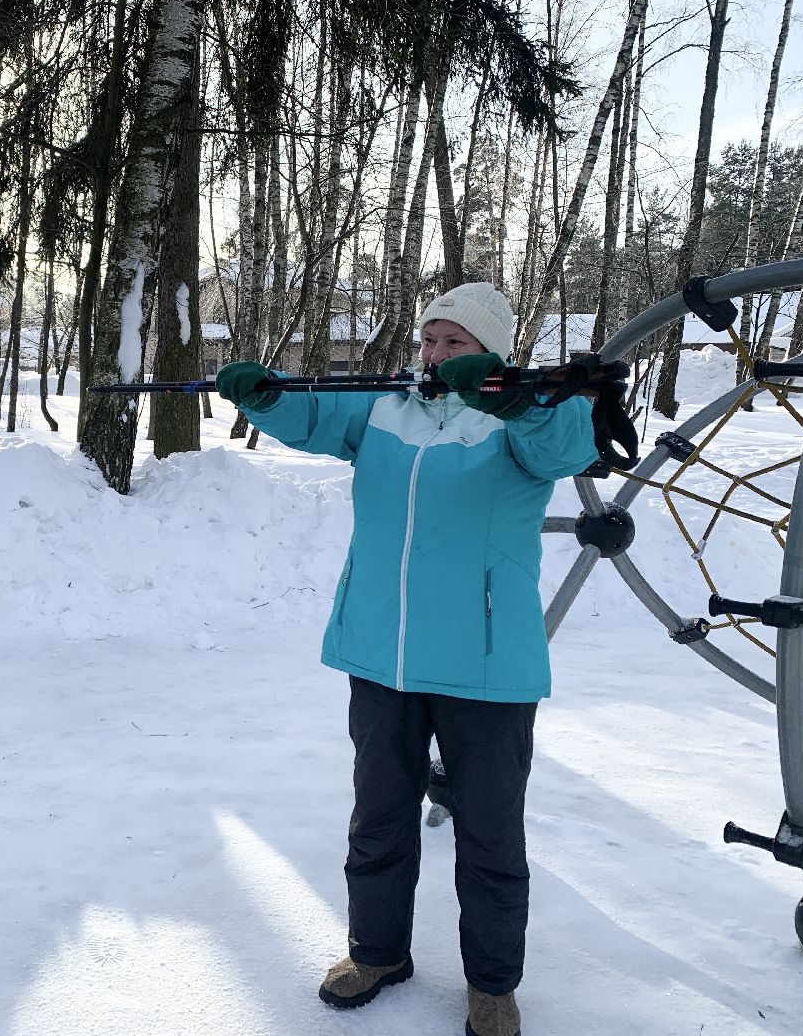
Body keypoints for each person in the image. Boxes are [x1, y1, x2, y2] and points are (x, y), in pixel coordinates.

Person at [214, 282, 596, 1036]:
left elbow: (566, 447)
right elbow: (313, 416)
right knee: (378, 818)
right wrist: (264, 397)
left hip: (484, 665)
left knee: (490, 832)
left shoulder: (529, 409)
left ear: (493, 348)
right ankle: (377, 952)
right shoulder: (387, 404)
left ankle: (492, 983)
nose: (436, 354)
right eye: (430, 340)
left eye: (457, 343)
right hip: (380, 656)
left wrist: (505, 397)